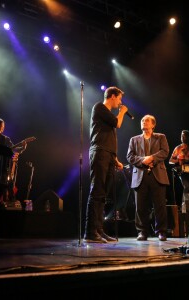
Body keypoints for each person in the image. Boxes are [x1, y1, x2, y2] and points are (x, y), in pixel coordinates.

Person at [83, 86, 128, 243]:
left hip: (107, 155)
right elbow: (117, 123)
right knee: (97, 191)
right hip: (99, 153)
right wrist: (122, 112)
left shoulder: (106, 115)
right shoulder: (99, 107)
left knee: (103, 195)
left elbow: (108, 138)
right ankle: (89, 232)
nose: (120, 102)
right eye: (120, 99)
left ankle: (99, 230)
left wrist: (115, 159)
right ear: (113, 96)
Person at [126, 114, 170, 241]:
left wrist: (152, 158)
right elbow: (129, 156)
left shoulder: (161, 137)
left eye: (146, 121)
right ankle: (142, 232)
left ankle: (161, 231)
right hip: (140, 175)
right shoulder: (134, 139)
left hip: (157, 175)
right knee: (140, 206)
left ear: (153, 124)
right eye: (142, 121)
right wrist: (143, 160)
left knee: (160, 205)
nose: (143, 122)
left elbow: (165, 151)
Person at [0, 118, 27, 238]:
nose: (4, 128)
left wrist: (23, 147)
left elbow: (14, 150)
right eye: (2, 126)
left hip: (0, 173)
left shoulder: (5, 139)